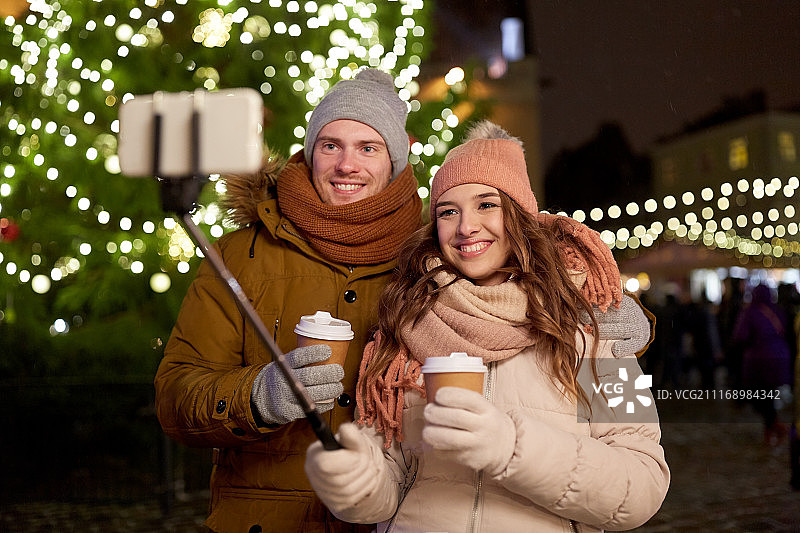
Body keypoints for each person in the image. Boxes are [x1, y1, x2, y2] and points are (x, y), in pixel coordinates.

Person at [304, 121, 669, 532]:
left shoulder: (596, 330)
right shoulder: (404, 324)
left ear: (519, 216)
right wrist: (355, 484)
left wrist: (512, 449)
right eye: (448, 211)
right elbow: (390, 478)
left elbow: (644, 484)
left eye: (486, 205)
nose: (466, 227)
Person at [154, 68, 423, 532]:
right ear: (311, 152)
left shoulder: (429, 262)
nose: (346, 165)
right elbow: (175, 396)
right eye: (331, 144)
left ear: (394, 162)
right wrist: (257, 397)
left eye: (368, 147)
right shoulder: (242, 255)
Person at [733, 283, 792, 447]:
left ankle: (775, 426)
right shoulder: (778, 311)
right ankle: (772, 427)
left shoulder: (750, 313)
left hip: (759, 360)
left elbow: (740, 336)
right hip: (780, 357)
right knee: (768, 395)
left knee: (758, 395)